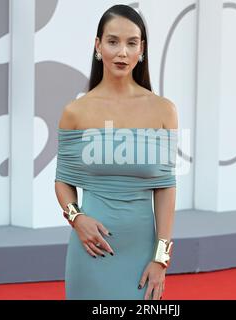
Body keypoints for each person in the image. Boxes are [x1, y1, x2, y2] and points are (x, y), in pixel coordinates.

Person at [54, 4, 178, 300]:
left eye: (131, 43)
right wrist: (77, 219)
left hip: (143, 254)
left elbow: (165, 188)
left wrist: (161, 256)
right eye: (113, 41)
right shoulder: (76, 112)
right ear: (98, 46)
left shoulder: (164, 111)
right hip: (91, 250)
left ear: (142, 49)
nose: (122, 52)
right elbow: (62, 180)